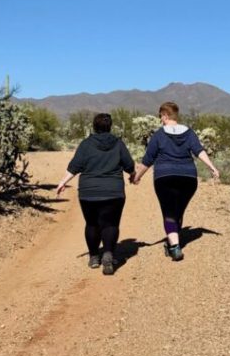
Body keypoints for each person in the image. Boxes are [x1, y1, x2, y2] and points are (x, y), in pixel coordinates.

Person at [131, 101, 219, 262]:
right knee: (178, 210)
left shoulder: (158, 135)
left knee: (169, 212)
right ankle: (174, 239)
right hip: (188, 178)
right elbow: (199, 151)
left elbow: (148, 160)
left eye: (161, 116)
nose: (160, 120)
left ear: (165, 115)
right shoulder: (189, 132)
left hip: (164, 177)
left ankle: (175, 246)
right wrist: (212, 167)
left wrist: (137, 177)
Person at [56, 113, 135, 275]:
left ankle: (93, 257)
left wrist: (62, 182)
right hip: (114, 192)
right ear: (110, 126)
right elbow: (129, 164)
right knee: (111, 224)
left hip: (88, 192)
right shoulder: (118, 144)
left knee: (92, 224)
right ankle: (108, 253)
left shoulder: (86, 144)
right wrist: (133, 175)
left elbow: (74, 166)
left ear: (94, 126)